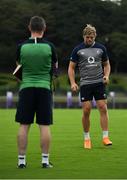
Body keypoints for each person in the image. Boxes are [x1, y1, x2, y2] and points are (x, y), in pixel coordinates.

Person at [15, 16, 58, 168]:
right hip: (44, 89)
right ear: (44, 28)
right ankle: (45, 161)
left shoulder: (21, 47)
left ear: (29, 28)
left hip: (26, 88)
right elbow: (54, 69)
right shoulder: (50, 47)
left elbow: (18, 69)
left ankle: (21, 161)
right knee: (44, 125)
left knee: (24, 125)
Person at [68, 24, 112, 149]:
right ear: (84, 36)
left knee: (103, 108)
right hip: (86, 84)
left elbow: (107, 65)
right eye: (87, 37)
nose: (89, 40)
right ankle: (87, 138)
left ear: (95, 36)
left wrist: (107, 76)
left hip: (99, 82)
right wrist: (73, 82)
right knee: (86, 110)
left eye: (92, 37)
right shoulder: (77, 50)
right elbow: (71, 68)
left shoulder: (101, 48)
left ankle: (105, 137)